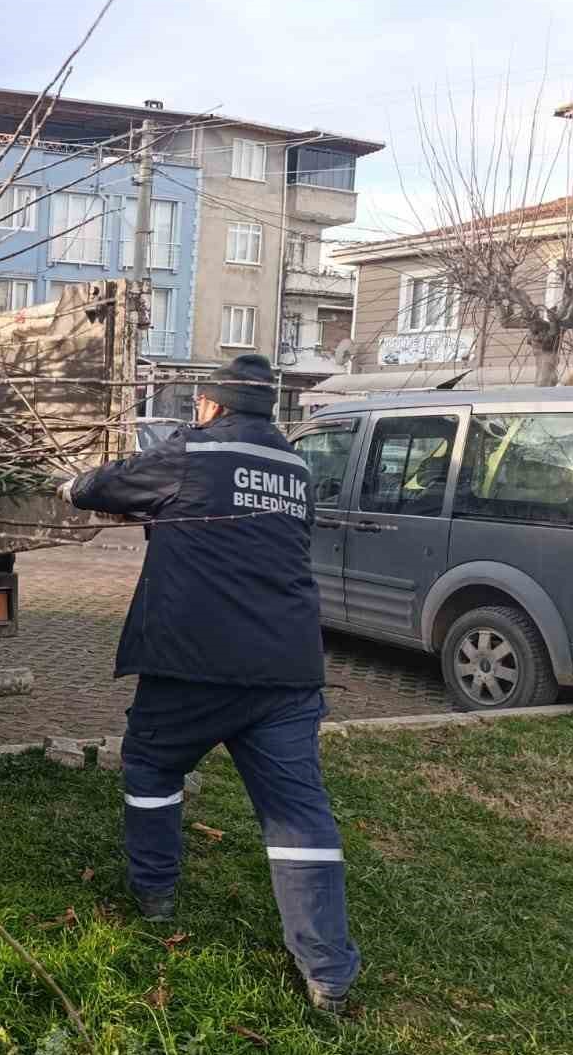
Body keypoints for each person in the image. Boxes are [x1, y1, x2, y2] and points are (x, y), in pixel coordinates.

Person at [59, 353, 360, 1014]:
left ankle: (156, 894)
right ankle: (328, 972)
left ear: (213, 406)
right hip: (285, 670)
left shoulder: (193, 451)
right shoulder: (296, 468)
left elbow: (103, 487)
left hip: (193, 663)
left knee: (151, 769)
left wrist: (68, 485)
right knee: (297, 814)